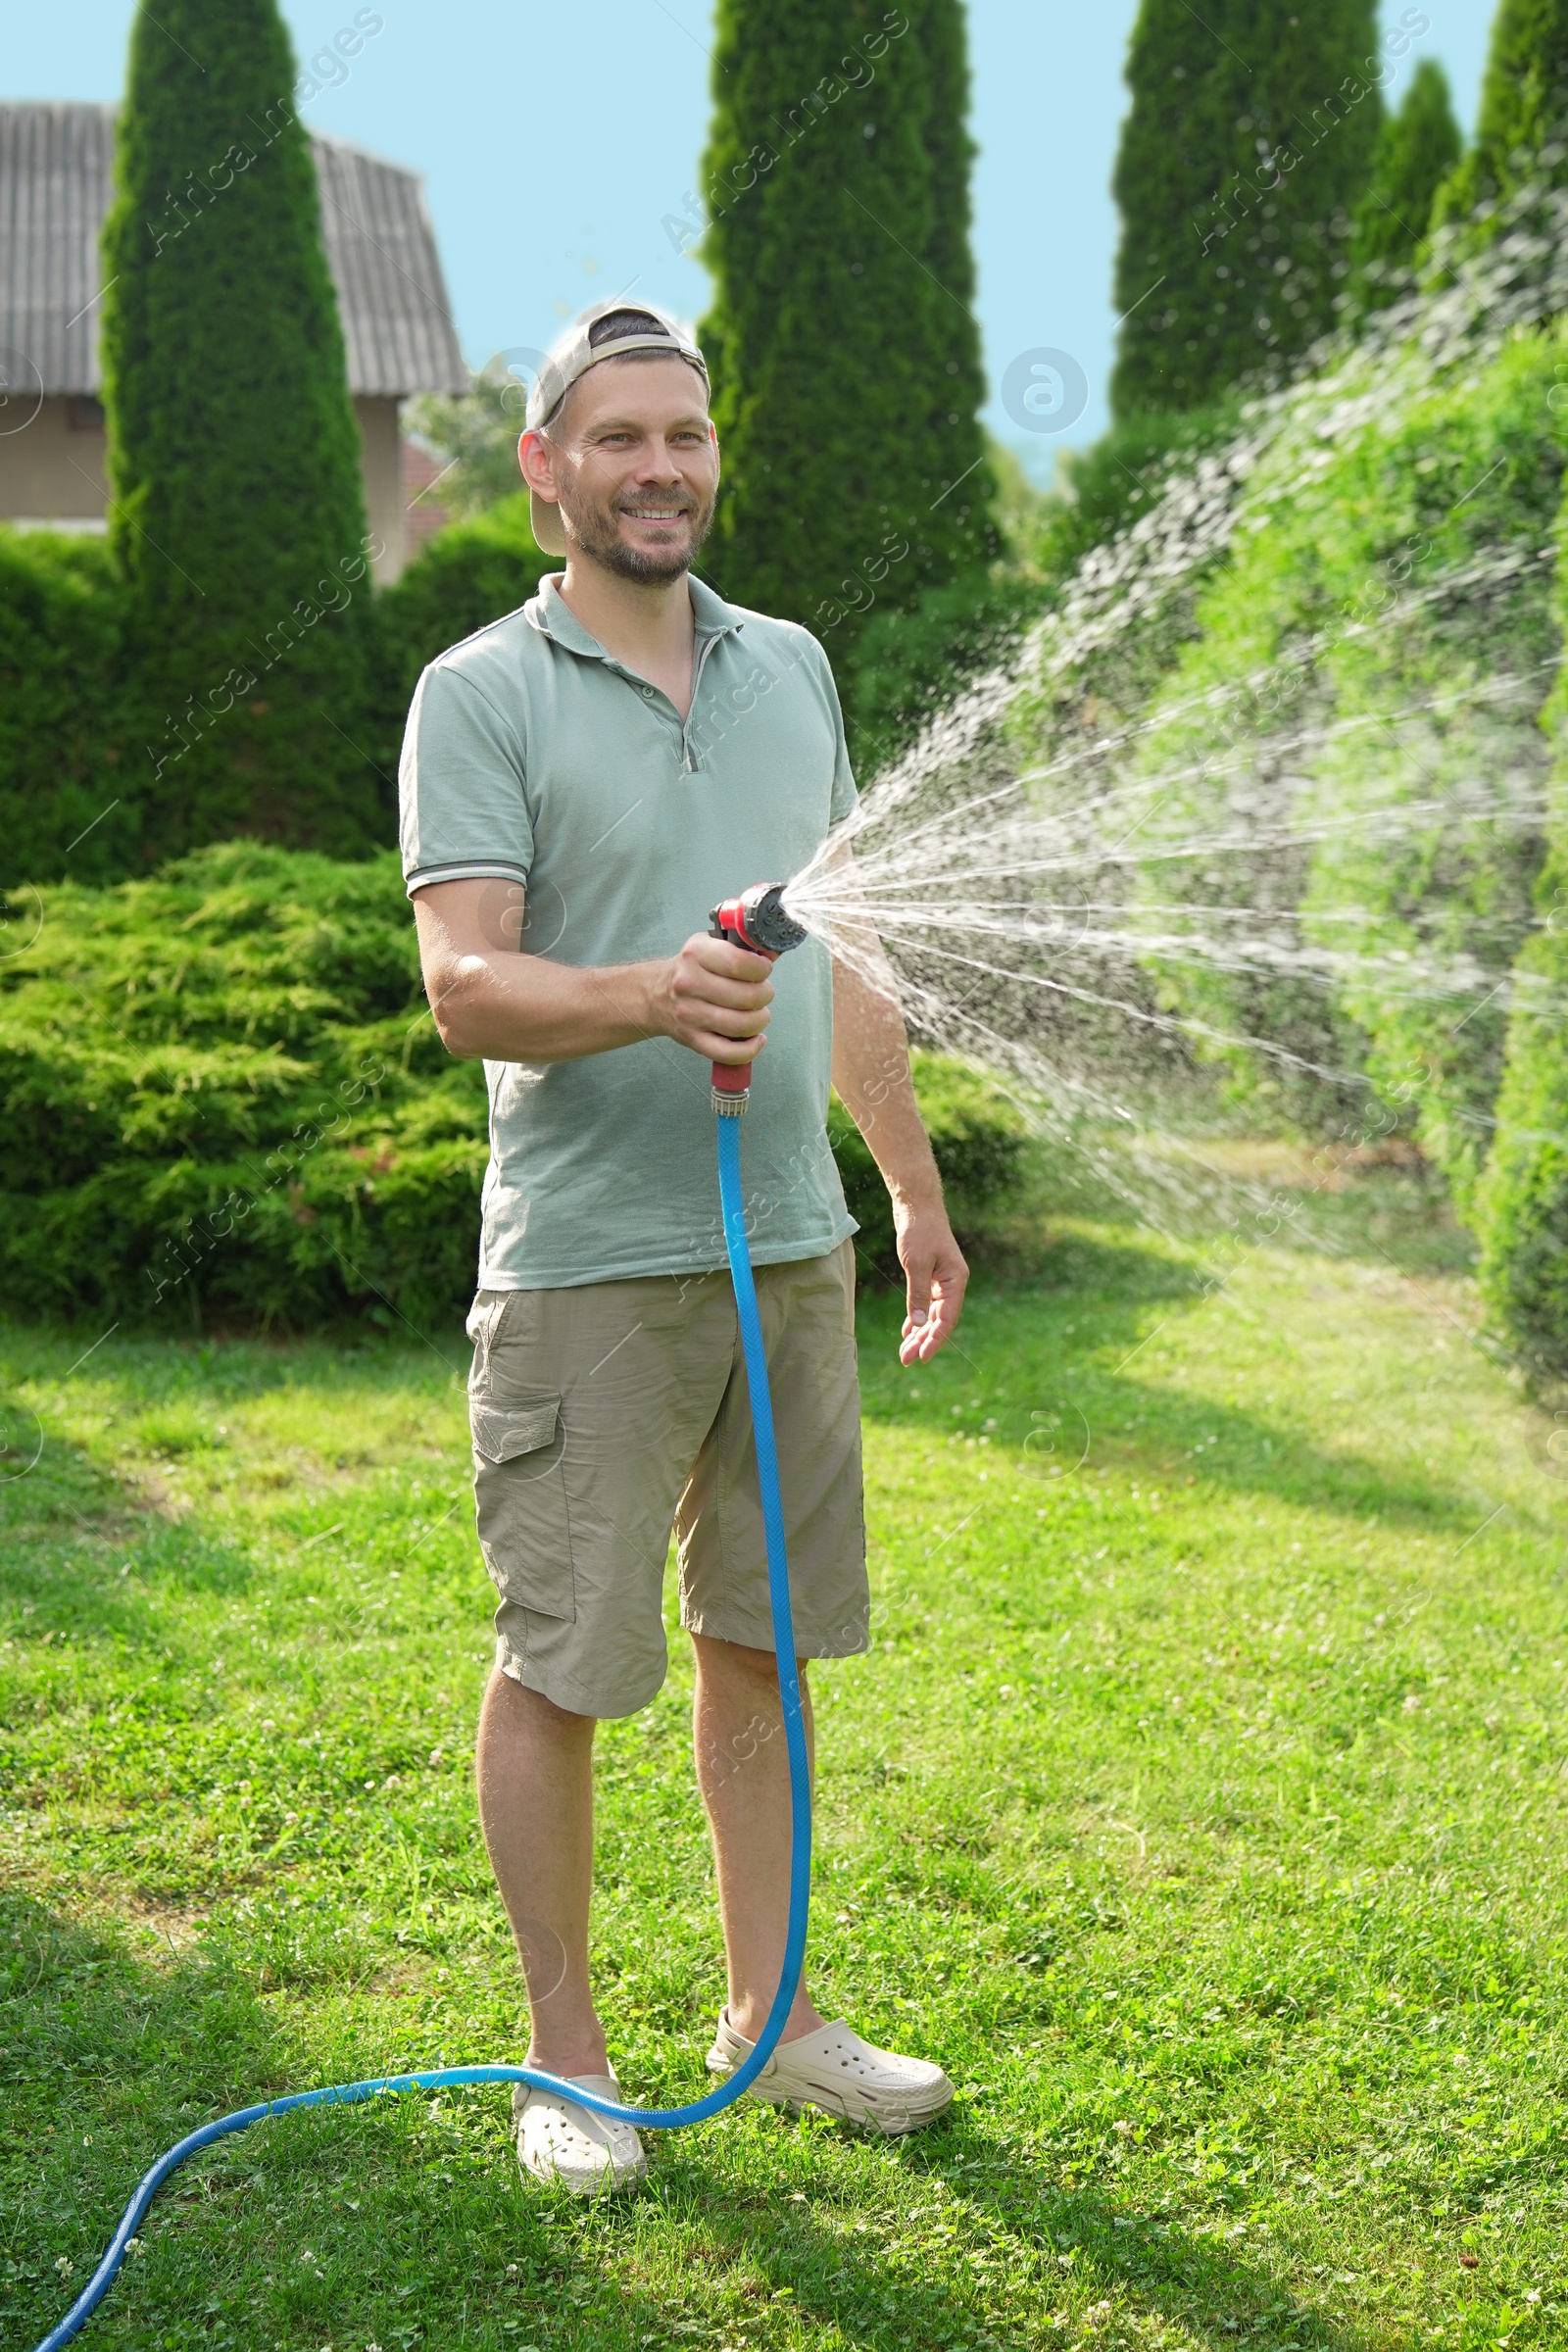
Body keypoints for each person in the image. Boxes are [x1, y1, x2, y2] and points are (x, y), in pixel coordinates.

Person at [400, 300, 969, 2195]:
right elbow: (465, 982)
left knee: (765, 1644)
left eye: (689, 435)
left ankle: (774, 2018)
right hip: (586, 1260)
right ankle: (565, 2061)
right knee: (563, 1663)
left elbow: (851, 944)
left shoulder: (791, 667)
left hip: (786, 1240)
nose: (662, 468)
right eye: (621, 438)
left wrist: (906, 1185)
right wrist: (650, 991)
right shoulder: (479, 691)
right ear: (546, 473)